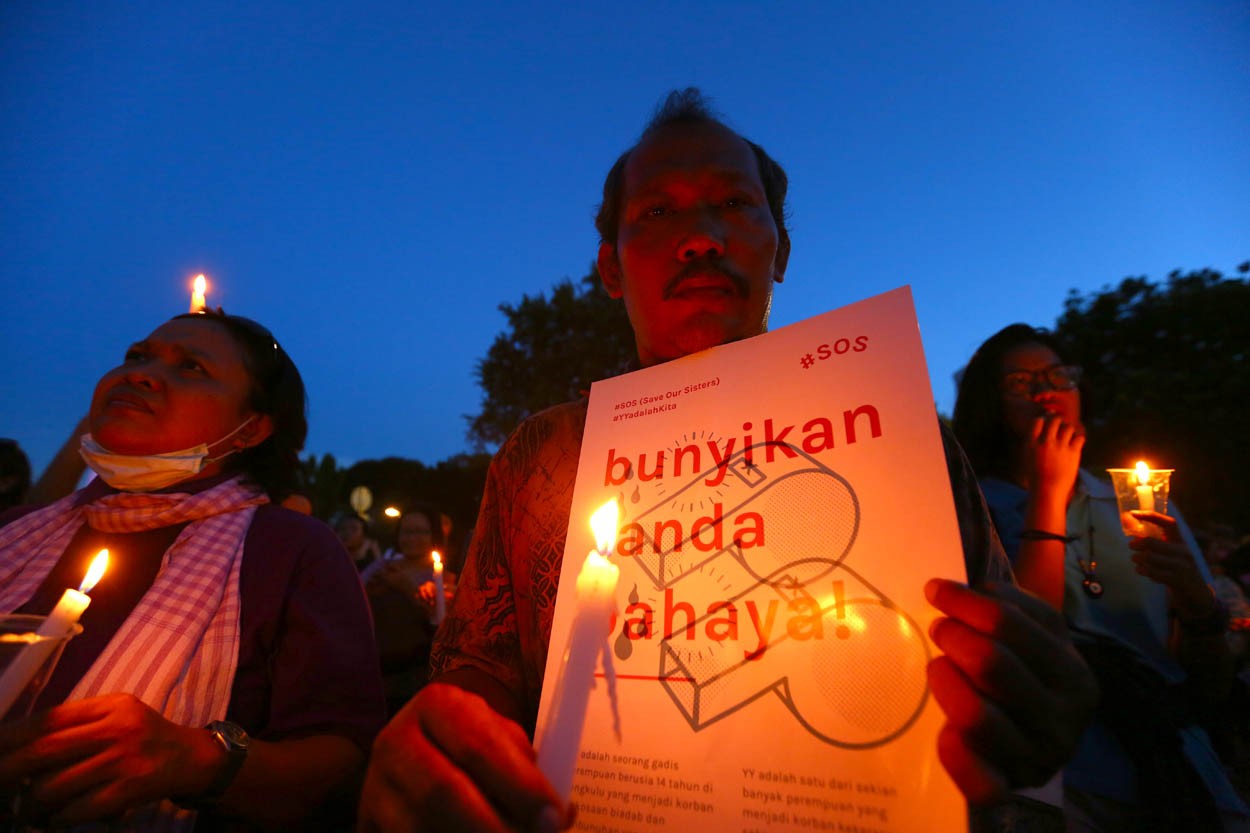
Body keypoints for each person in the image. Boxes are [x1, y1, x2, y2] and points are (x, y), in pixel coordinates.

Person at [358, 89, 1097, 832]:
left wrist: (1028, 700)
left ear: (781, 249)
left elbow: (1004, 665)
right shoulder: (541, 455)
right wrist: (434, 759)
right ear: (610, 268)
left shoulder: (906, 444)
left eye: (736, 205)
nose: (702, 238)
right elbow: (475, 684)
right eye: (656, 213)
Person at [0, 310, 387, 831]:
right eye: (137, 356)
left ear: (252, 429)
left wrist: (197, 760)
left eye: (192, 368)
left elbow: (344, 764)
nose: (137, 373)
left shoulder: (290, 549)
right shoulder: (16, 531)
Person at [952, 323, 1249, 831]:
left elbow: (1210, 679)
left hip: (1177, 768)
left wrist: (1196, 601)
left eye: (1058, 376)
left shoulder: (1138, 505)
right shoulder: (971, 509)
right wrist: (1049, 493)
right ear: (991, 404)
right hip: (1063, 789)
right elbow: (1024, 645)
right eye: (1020, 383)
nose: (1046, 391)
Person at [365, 506, 456, 715]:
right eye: (406, 531)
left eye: (421, 532)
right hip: (375, 673)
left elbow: (439, 623)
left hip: (414, 679)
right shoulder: (383, 568)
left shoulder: (445, 579)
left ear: (435, 535)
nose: (412, 538)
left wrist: (406, 587)